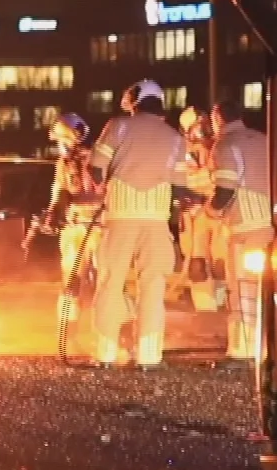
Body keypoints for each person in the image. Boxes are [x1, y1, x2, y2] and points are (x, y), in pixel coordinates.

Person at [88, 80, 192, 369]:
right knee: (153, 286)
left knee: (110, 282)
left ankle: (105, 355)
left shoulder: (118, 126)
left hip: (120, 217)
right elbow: (181, 189)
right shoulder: (176, 138)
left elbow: (95, 167)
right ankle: (149, 356)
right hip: (157, 221)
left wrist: (101, 187)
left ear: (134, 101)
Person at [209, 100, 274, 362]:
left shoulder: (225, 145)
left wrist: (210, 211)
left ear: (218, 119)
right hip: (271, 225)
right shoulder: (263, 138)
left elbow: (225, 189)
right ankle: (267, 348)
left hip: (244, 229)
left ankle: (243, 351)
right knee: (265, 290)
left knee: (242, 291)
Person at [38, 113, 101, 351]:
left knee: (109, 283)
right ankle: (68, 336)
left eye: (60, 141)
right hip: (74, 229)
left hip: (101, 228)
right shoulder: (64, 164)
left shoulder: (101, 158)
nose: (59, 147)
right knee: (71, 283)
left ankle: (114, 336)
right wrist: (53, 213)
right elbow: (60, 192)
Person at [175, 107, 226, 313]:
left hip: (221, 213)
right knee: (198, 264)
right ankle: (205, 309)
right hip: (196, 215)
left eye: (205, 125)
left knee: (222, 263)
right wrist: (211, 177)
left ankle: (222, 304)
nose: (203, 130)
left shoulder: (221, 146)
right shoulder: (184, 152)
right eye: (198, 126)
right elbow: (188, 180)